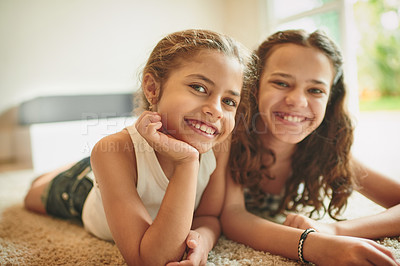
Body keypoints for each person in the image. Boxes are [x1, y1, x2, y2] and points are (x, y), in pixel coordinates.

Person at [24, 29, 254, 266]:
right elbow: (149, 260)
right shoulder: (113, 151)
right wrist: (186, 162)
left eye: (229, 101)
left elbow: (208, 216)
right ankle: (75, 169)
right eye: (198, 87)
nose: (216, 110)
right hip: (82, 191)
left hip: (112, 171)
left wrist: (203, 240)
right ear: (153, 88)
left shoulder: (219, 149)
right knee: (32, 195)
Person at [221, 29, 400, 265]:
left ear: (330, 99)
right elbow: (233, 216)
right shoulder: (231, 135)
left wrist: (336, 231)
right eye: (282, 83)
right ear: (255, 87)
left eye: (315, 90)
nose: (297, 100)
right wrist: (314, 245)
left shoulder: (324, 150)